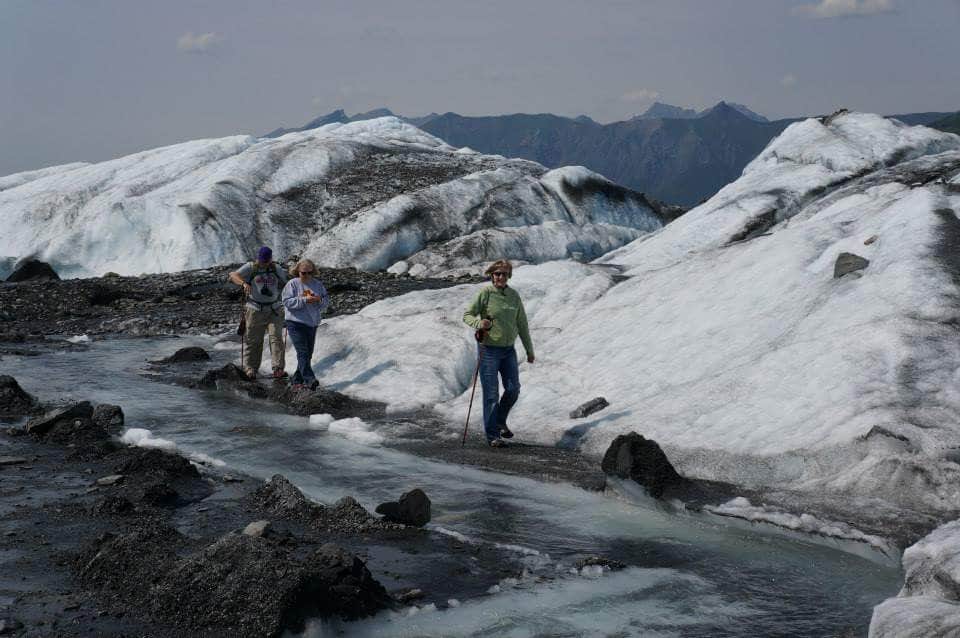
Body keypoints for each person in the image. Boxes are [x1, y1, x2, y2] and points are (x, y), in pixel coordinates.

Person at [462, 259, 535, 447]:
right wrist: (480, 324)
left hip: (508, 350)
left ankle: (500, 420)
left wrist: (529, 350)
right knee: (491, 394)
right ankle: (493, 436)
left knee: (513, 389)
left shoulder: (514, 296)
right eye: (497, 274)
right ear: (492, 276)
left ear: (508, 275)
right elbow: (467, 315)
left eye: (503, 274)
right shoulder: (485, 294)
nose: (500, 277)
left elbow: (522, 324)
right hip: (489, 350)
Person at [229, 246, 288, 380]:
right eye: (262, 260)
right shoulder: (251, 267)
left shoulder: (276, 268)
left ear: (270, 259)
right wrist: (244, 284)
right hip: (255, 309)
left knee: (276, 338)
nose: (264, 263)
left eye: (266, 261)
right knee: (254, 340)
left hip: (274, 309)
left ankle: (278, 369)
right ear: (258, 258)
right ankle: (250, 369)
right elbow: (233, 275)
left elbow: (287, 282)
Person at [281, 258, 329, 390]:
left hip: (312, 323)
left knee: (308, 353)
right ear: (298, 272)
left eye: (309, 273)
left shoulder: (318, 285)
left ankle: (297, 379)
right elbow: (286, 301)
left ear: (313, 272)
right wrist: (304, 300)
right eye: (303, 273)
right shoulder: (292, 284)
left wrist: (319, 300)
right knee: (302, 352)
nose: (306, 275)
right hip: (295, 323)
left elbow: (325, 301)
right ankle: (310, 379)